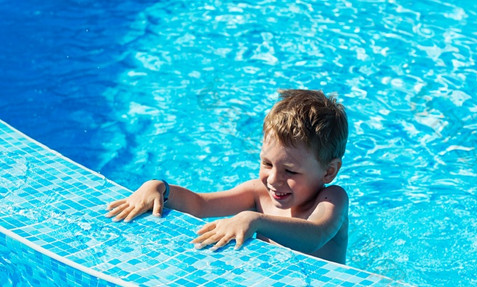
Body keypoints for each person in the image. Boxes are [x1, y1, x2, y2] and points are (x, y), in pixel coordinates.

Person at [106, 89, 349, 264]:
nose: (274, 179)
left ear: (328, 171)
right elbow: (200, 204)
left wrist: (256, 220)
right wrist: (160, 188)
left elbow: (314, 236)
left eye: (291, 171)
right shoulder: (259, 193)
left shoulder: (331, 199)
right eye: (266, 163)